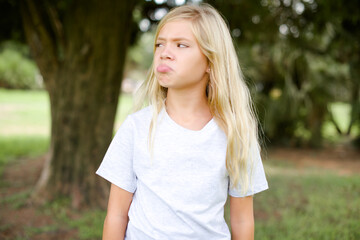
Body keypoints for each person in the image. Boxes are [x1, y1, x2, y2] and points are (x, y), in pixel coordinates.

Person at [96, 3, 268, 240]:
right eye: (160, 44)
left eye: (181, 45)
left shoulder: (236, 134)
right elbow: (116, 215)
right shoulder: (137, 127)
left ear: (210, 61)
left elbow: (242, 219)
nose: (165, 52)